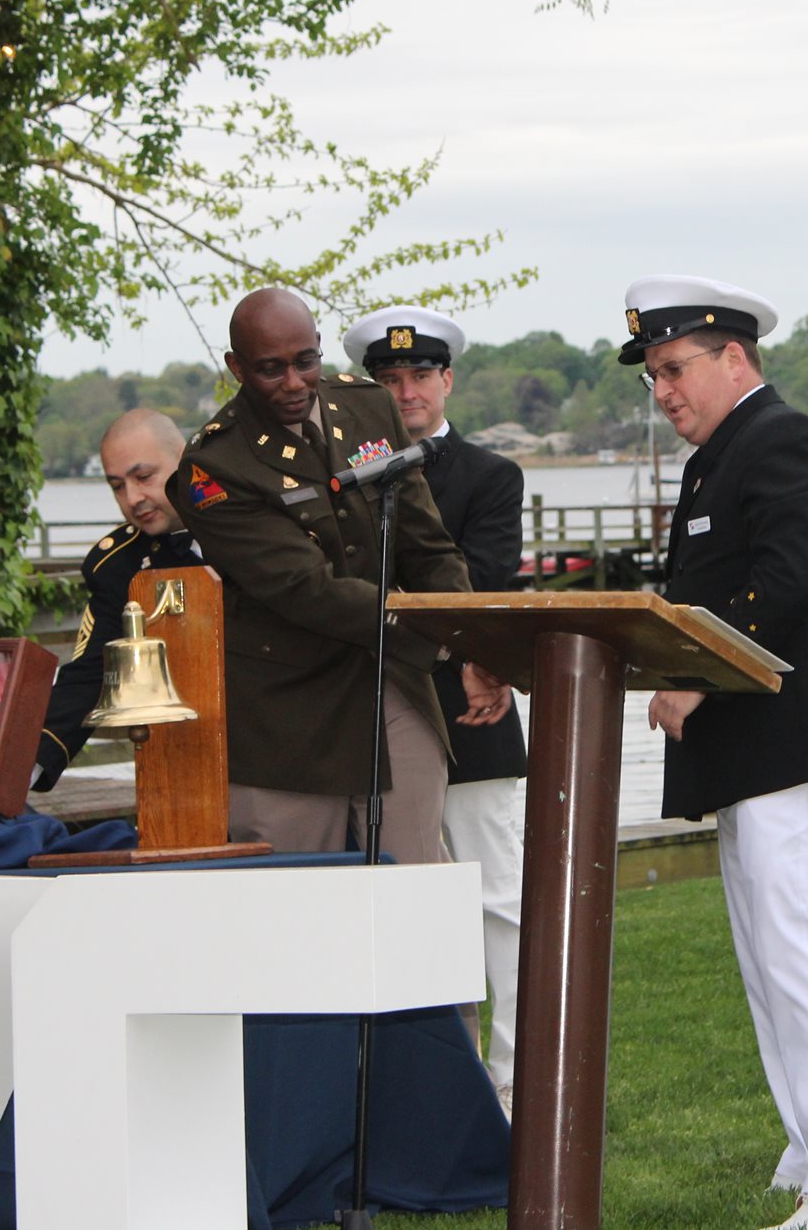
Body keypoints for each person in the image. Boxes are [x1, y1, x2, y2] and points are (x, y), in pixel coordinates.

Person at [620, 275, 808, 1230]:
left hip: (798, 747)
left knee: (806, 960)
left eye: (674, 369)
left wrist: (694, 675)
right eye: (653, 376)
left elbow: (785, 578)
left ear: (734, 357)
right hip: (754, 754)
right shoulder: (719, 459)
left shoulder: (782, 441)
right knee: (770, 966)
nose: (662, 391)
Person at [170, 287, 508, 856]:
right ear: (236, 367)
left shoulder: (367, 407)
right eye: (271, 369)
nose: (295, 383)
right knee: (299, 894)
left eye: (306, 361)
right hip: (288, 714)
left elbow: (428, 547)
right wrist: (442, 642)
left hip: (392, 682)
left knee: (414, 878)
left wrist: (474, 644)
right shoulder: (214, 465)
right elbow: (308, 590)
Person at [344, 304, 528, 1112]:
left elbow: (482, 584)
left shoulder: (489, 476)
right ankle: (436, 1083)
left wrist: (467, 652)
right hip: (374, 714)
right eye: (389, 378)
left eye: (421, 373)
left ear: (447, 380)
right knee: (404, 903)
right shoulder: (346, 476)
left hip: (469, 706)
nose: (406, 390)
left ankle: (517, 1075)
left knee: (497, 899)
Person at [33, 409, 204, 792]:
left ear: (186, 460)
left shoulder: (251, 526)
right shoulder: (118, 566)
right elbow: (92, 673)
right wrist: (22, 768)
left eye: (143, 477)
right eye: (117, 486)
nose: (132, 499)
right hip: (178, 762)